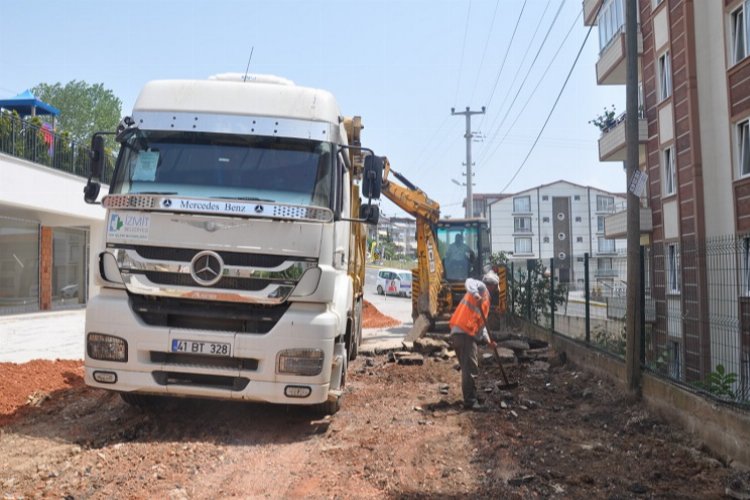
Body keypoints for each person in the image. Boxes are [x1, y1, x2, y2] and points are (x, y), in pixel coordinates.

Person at [449, 271, 500, 411]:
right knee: (470, 368)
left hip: (460, 333)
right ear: (493, 286)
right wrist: (476, 294)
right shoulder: (481, 288)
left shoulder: (485, 302)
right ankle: (470, 401)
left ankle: (471, 397)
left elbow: (481, 326)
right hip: (464, 334)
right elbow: (469, 281)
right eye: (495, 288)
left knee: (468, 368)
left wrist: (488, 341)